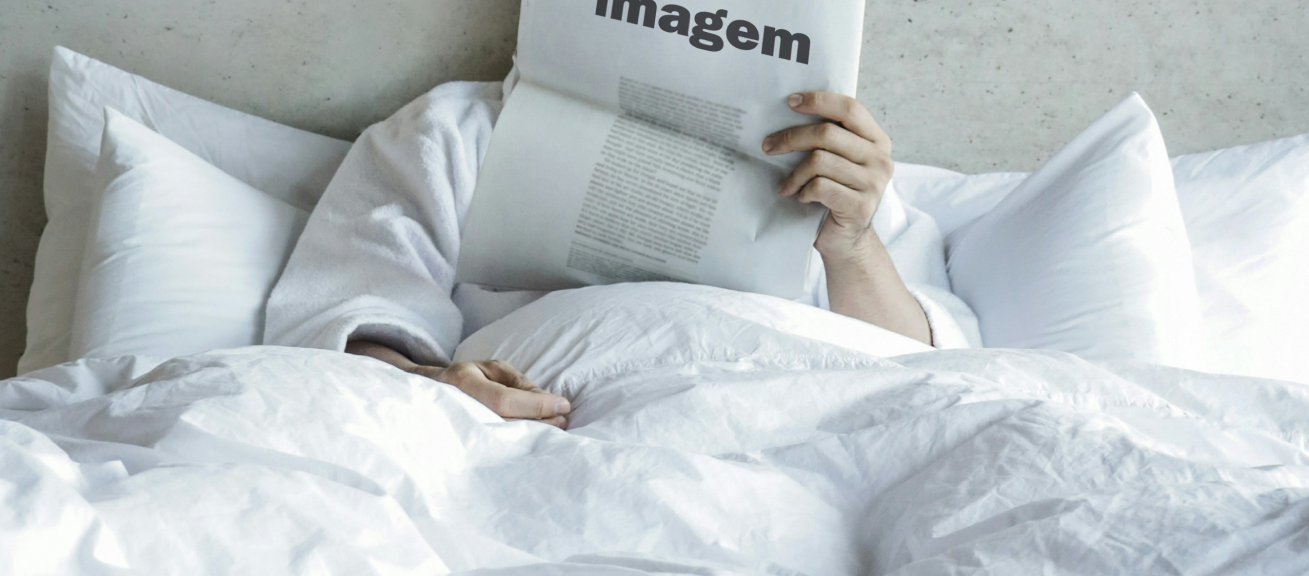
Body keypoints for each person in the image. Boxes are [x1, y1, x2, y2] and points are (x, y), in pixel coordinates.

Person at [264, 80, 973, 431]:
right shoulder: (453, 130)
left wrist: (853, 243)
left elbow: (934, 384)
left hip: (783, 426)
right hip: (541, 431)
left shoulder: (845, 174)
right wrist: (434, 384)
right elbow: (341, 326)